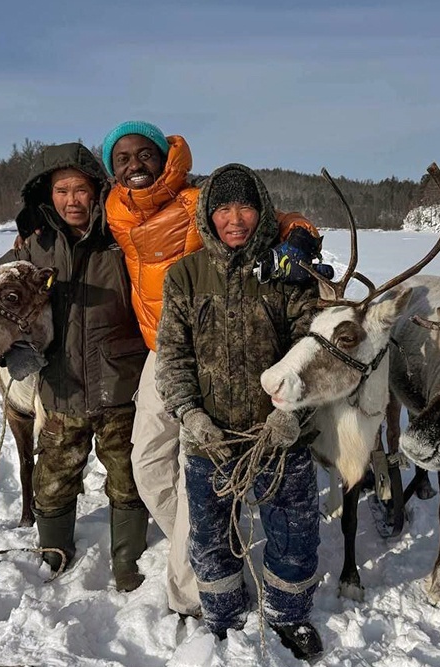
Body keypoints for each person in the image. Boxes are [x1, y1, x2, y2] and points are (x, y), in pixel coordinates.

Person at [100, 121, 327, 617]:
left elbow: (282, 218)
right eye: (122, 158)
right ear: (111, 168)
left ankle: (194, 595)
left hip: (227, 341)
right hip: (168, 349)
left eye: (145, 154)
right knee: (149, 464)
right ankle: (209, 540)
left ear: (166, 158)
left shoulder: (198, 197)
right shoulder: (113, 211)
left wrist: (302, 242)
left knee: (210, 485)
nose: (135, 164)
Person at [155, 164, 323, 660]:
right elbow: (173, 356)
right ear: (208, 213)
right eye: (223, 207)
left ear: (262, 210)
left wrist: (291, 414)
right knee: (210, 537)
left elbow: (311, 352)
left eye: (245, 206)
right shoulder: (184, 276)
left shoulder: (289, 274)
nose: (235, 219)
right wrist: (190, 415)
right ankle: (223, 616)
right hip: (210, 438)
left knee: (294, 532)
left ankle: (288, 614)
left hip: (278, 435)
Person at [0, 142, 149, 592]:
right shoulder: (35, 247)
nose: (71, 200)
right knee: (55, 476)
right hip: (62, 386)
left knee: (127, 478)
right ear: (49, 195)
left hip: (121, 383)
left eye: (80, 189)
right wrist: (11, 350)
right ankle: (55, 551)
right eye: (61, 190)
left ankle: (127, 560)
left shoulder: (124, 239)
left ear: (97, 191)